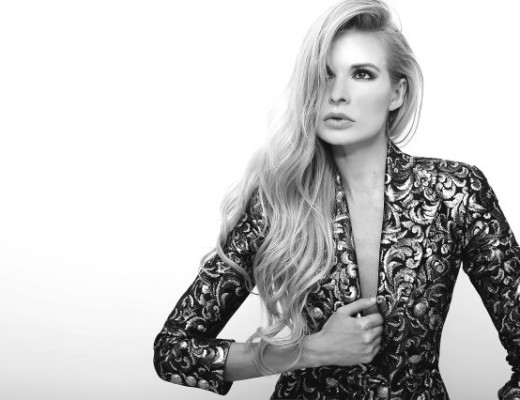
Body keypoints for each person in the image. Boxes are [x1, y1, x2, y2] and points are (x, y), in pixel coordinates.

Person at [153, 0, 520, 398]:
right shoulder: (279, 201)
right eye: (324, 75)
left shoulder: (452, 192)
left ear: (397, 93)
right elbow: (173, 351)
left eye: (362, 74)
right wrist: (310, 350)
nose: (337, 94)